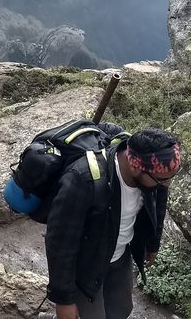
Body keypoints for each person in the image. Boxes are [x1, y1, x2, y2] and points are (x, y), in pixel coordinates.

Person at [44, 128, 181, 319]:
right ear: (135, 167)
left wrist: (152, 243)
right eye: (162, 181)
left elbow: (158, 205)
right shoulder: (84, 179)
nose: (166, 185)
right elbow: (59, 242)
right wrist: (64, 300)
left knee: (121, 310)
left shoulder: (154, 175)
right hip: (85, 265)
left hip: (119, 257)